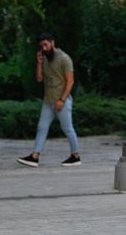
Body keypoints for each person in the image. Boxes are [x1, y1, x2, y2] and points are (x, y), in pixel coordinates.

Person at [17, 33, 81, 167]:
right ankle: (35, 156)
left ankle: (75, 156)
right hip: (48, 101)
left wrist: (62, 100)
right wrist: (39, 63)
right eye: (41, 46)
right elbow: (39, 79)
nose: (44, 48)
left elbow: (70, 81)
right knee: (42, 127)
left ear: (52, 42)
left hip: (61, 101)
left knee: (67, 129)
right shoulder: (44, 59)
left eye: (46, 44)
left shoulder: (64, 59)